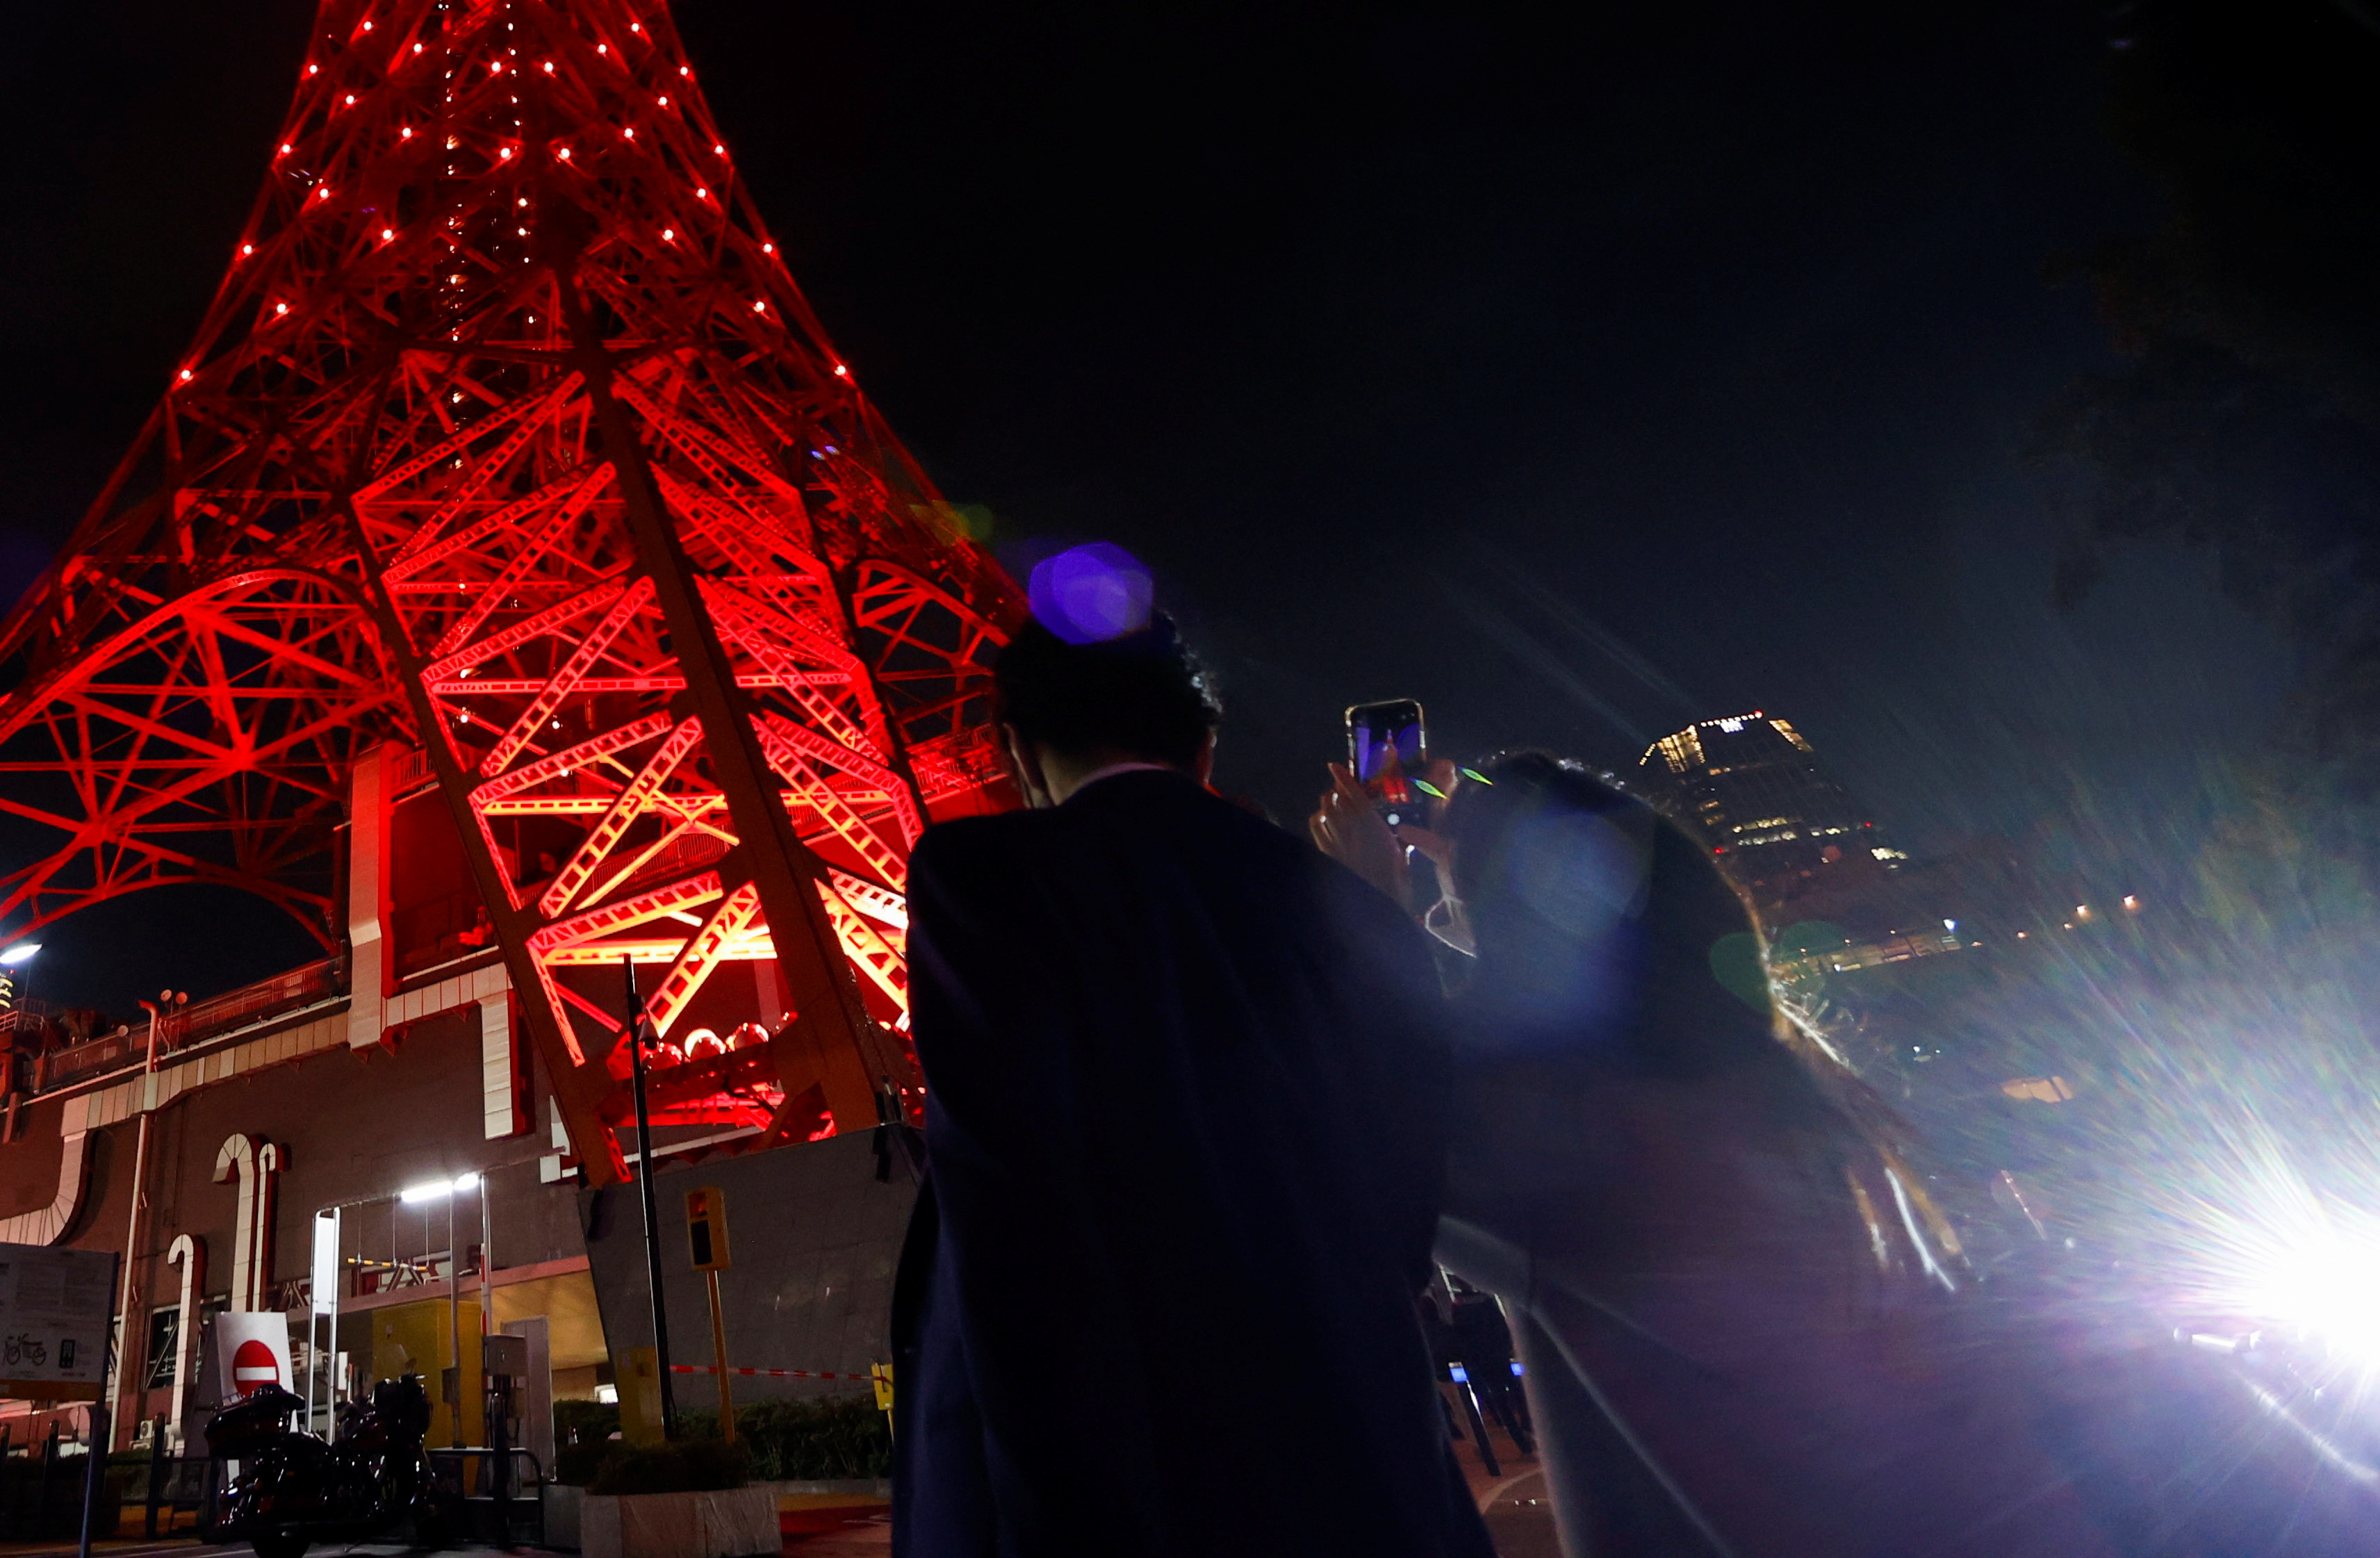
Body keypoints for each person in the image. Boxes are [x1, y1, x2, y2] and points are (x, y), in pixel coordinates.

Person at [1316, 754, 2105, 1558]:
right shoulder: (1789, 1087)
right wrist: (1477, 883)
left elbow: (1371, 1117)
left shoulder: (1574, 1139)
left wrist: (1367, 907)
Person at [892, 617, 1491, 1555]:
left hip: (1128, 1449)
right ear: (1203, 740)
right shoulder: (1341, 894)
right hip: (1356, 1426)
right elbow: (1411, 1166)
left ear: (1015, 748)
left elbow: (1010, 1210)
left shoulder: (984, 874)